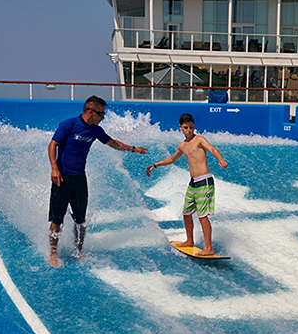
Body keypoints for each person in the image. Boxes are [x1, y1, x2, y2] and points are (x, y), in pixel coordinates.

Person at [48, 96, 147, 267]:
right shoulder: (69, 124)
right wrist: (54, 168)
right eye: (101, 114)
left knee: (81, 220)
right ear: (90, 111)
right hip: (62, 177)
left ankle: (78, 250)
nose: (103, 118)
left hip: (79, 178)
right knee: (57, 219)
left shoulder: (95, 130)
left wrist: (132, 149)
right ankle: (53, 253)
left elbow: (113, 143)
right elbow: (52, 145)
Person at [146, 113, 228, 256]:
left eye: (191, 127)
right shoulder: (182, 145)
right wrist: (155, 165)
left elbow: (212, 148)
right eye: (186, 128)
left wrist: (220, 159)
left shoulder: (199, 140)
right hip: (193, 183)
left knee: (202, 216)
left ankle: (208, 247)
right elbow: (172, 159)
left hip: (204, 181)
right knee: (187, 213)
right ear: (180, 127)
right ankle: (189, 240)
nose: (189, 130)